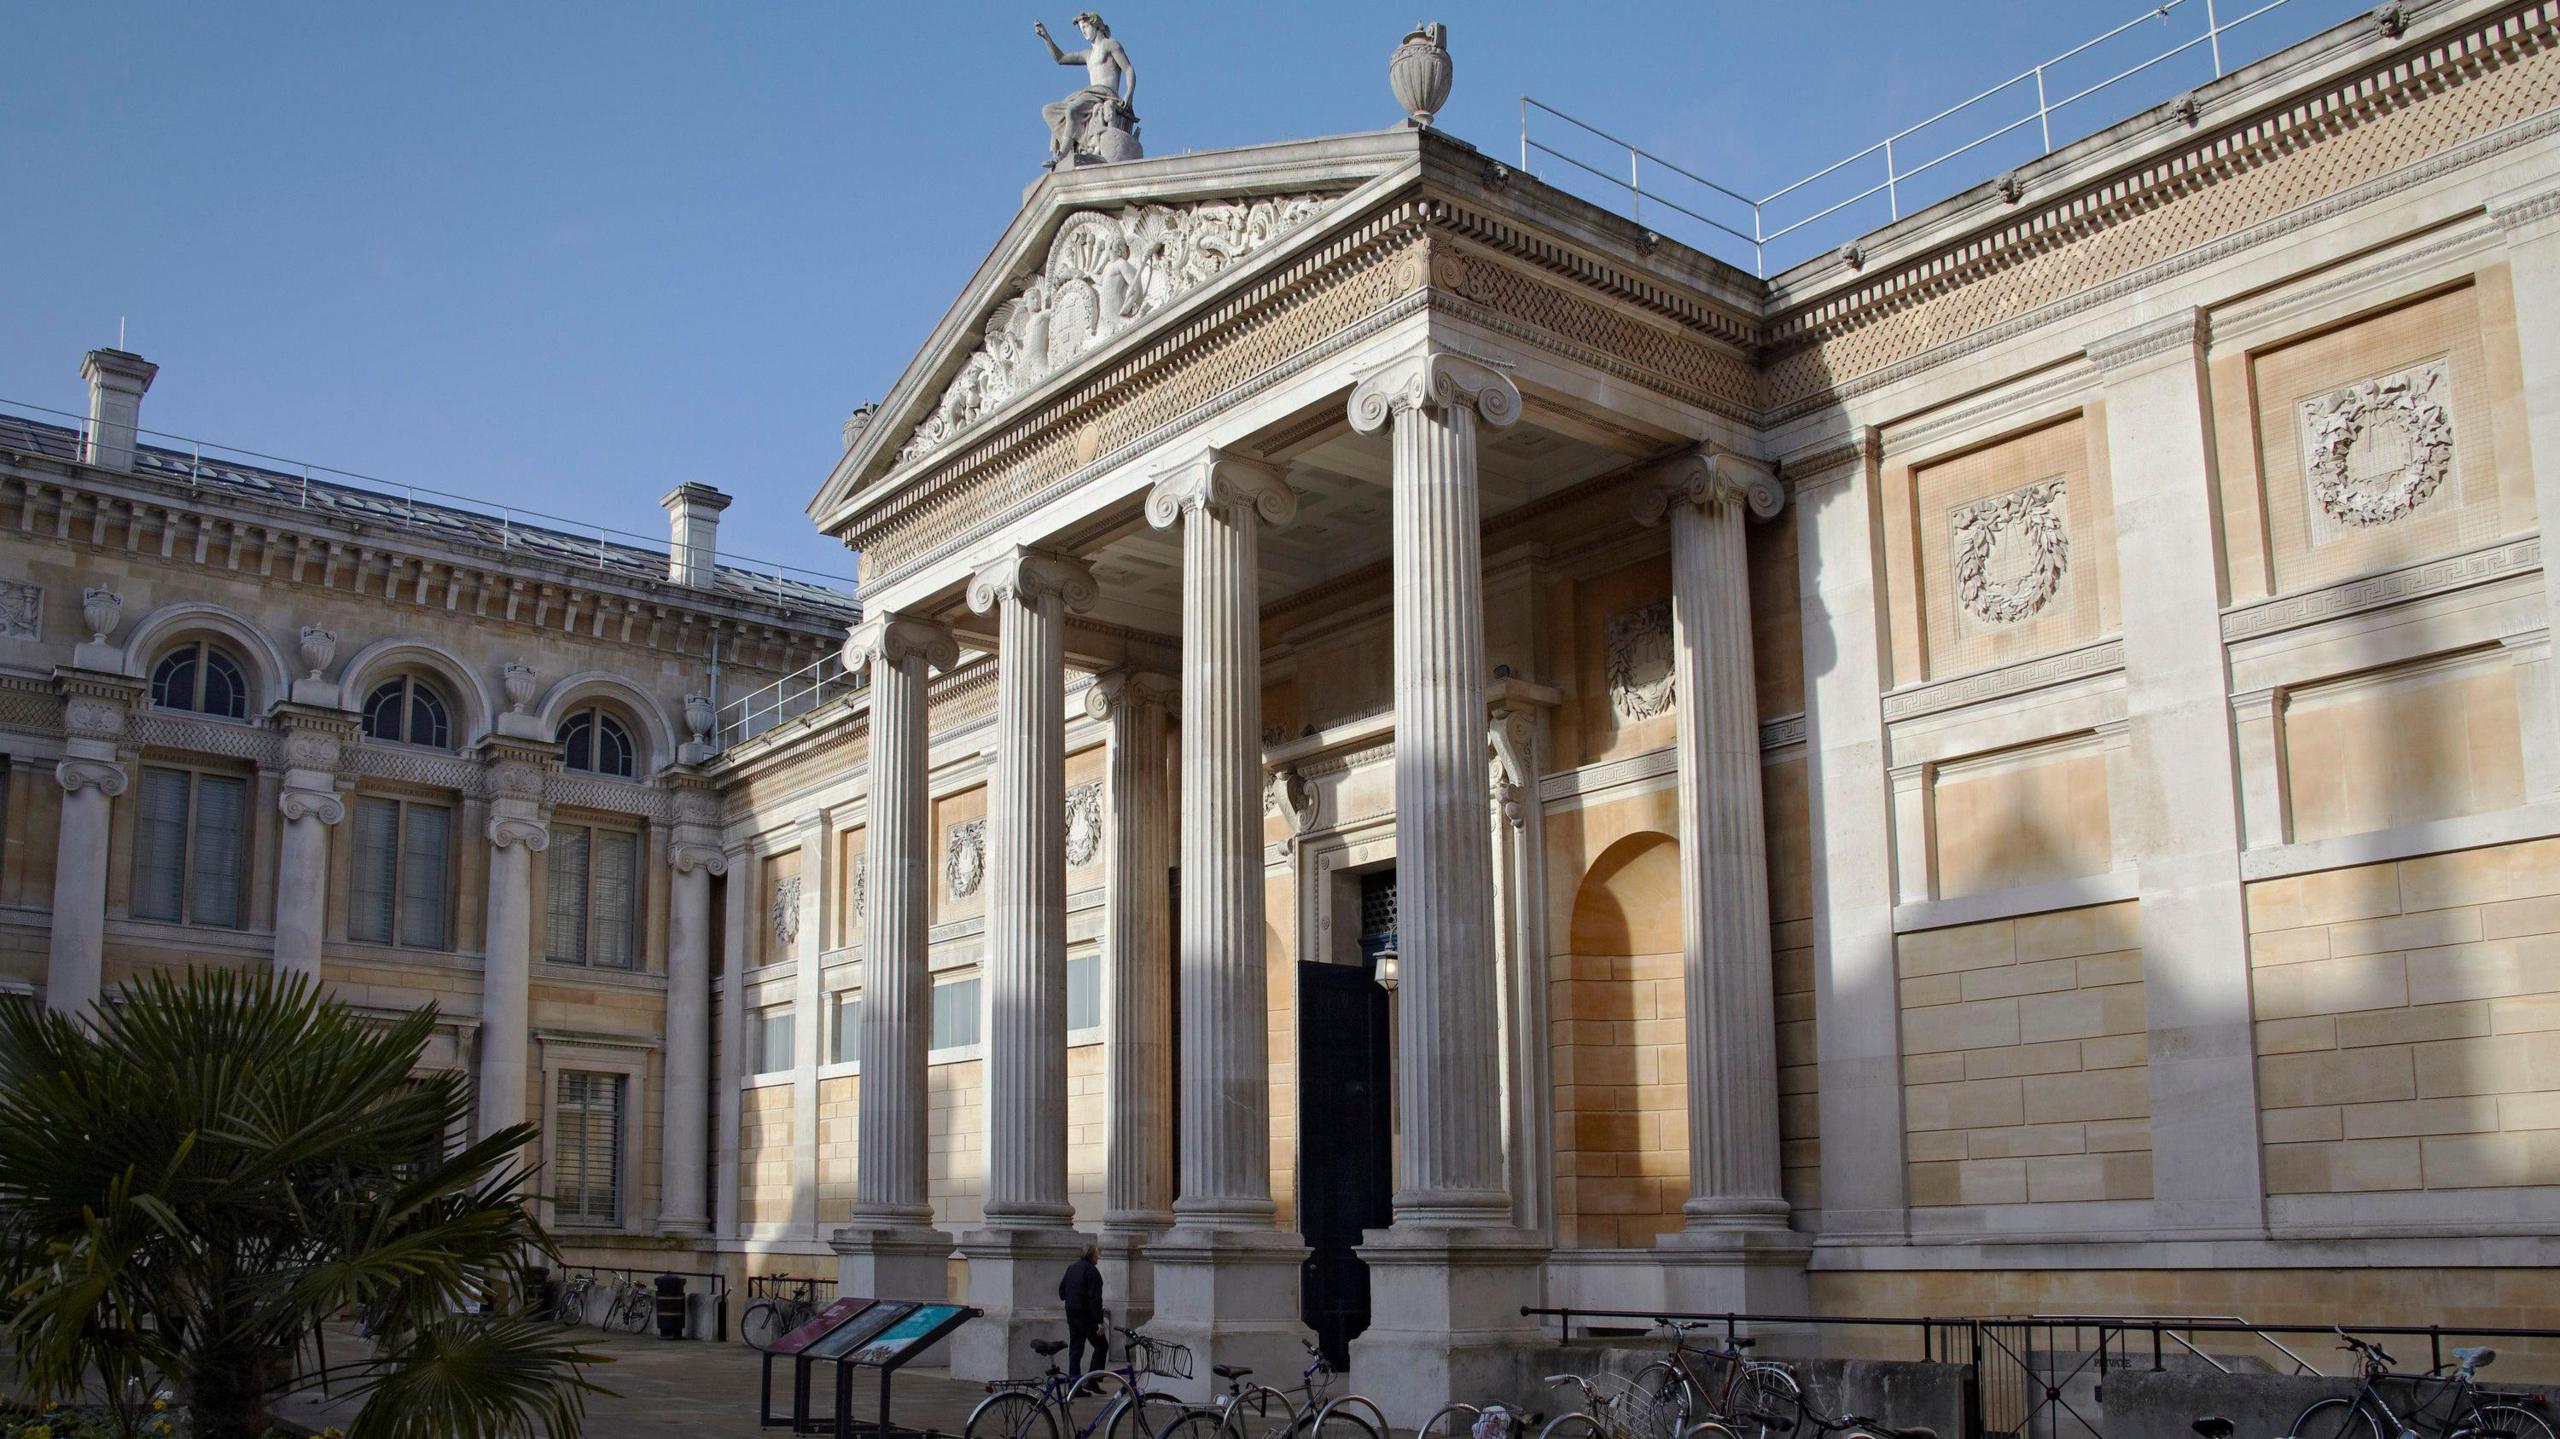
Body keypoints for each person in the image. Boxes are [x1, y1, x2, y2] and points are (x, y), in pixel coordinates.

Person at [1033, 13, 1136, 164]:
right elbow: (1060, 58)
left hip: (1105, 93)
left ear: (1096, 25)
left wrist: (1129, 93)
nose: (1084, 31)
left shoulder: (1110, 44)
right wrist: (1046, 38)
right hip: (1089, 94)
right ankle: (1077, 144)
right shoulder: (1088, 54)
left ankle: (1062, 154)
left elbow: (1128, 69)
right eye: (1081, 29)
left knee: (1072, 109)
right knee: (1048, 110)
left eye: (1086, 27)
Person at [1059, 1242, 1107, 1375]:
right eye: (1097, 1255)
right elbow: (1095, 1299)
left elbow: (1062, 1292)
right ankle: (1093, 1380)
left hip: (1071, 1313)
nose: (1099, 1257)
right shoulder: (1092, 1271)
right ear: (1092, 1255)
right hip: (1087, 1316)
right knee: (1101, 1346)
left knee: (1075, 1350)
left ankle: (1074, 1385)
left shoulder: (1072, 1267)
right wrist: (1100, 1321)